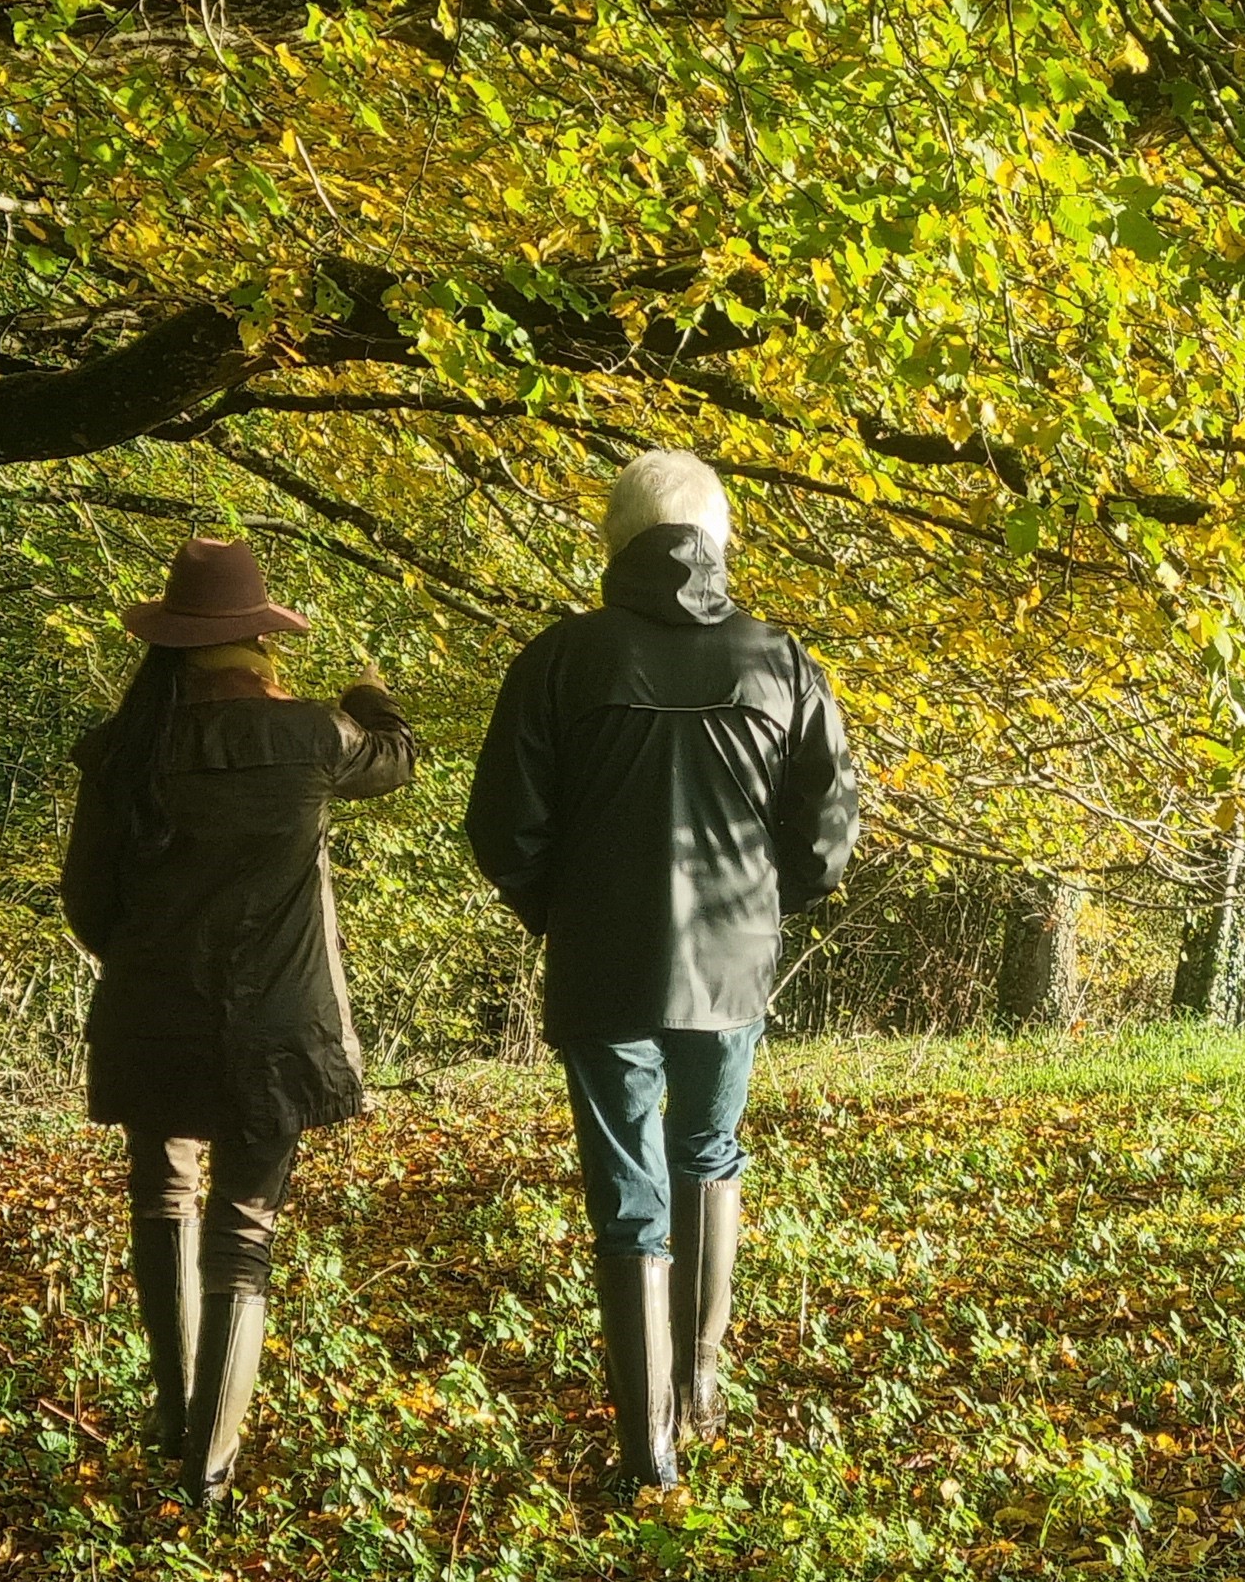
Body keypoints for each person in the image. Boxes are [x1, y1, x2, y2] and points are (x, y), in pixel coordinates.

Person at [464, 453, 858, 1491]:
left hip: (602, 960)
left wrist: (561, 910)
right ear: (719, 542)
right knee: (708, 1151)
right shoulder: (781, 661)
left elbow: (501, 826)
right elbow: (826, 829)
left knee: (626, 1190)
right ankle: (699, 1393)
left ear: (614, 543)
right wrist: (765, 909)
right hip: (732, 960)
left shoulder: (559, 660)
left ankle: (649, 1452)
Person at [60, 535, 417, 1505]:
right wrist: (370, 696)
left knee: (161, 1194)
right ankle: (206, 1479)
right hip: (278, 1031)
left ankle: (173, 1422)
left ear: (175, 643)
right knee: (243, 1231)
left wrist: (155, 961)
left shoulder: (123, 749)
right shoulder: (310, 736)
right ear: (261, 641)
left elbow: (87, 906)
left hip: (150, 1016)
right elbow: (395, 760)